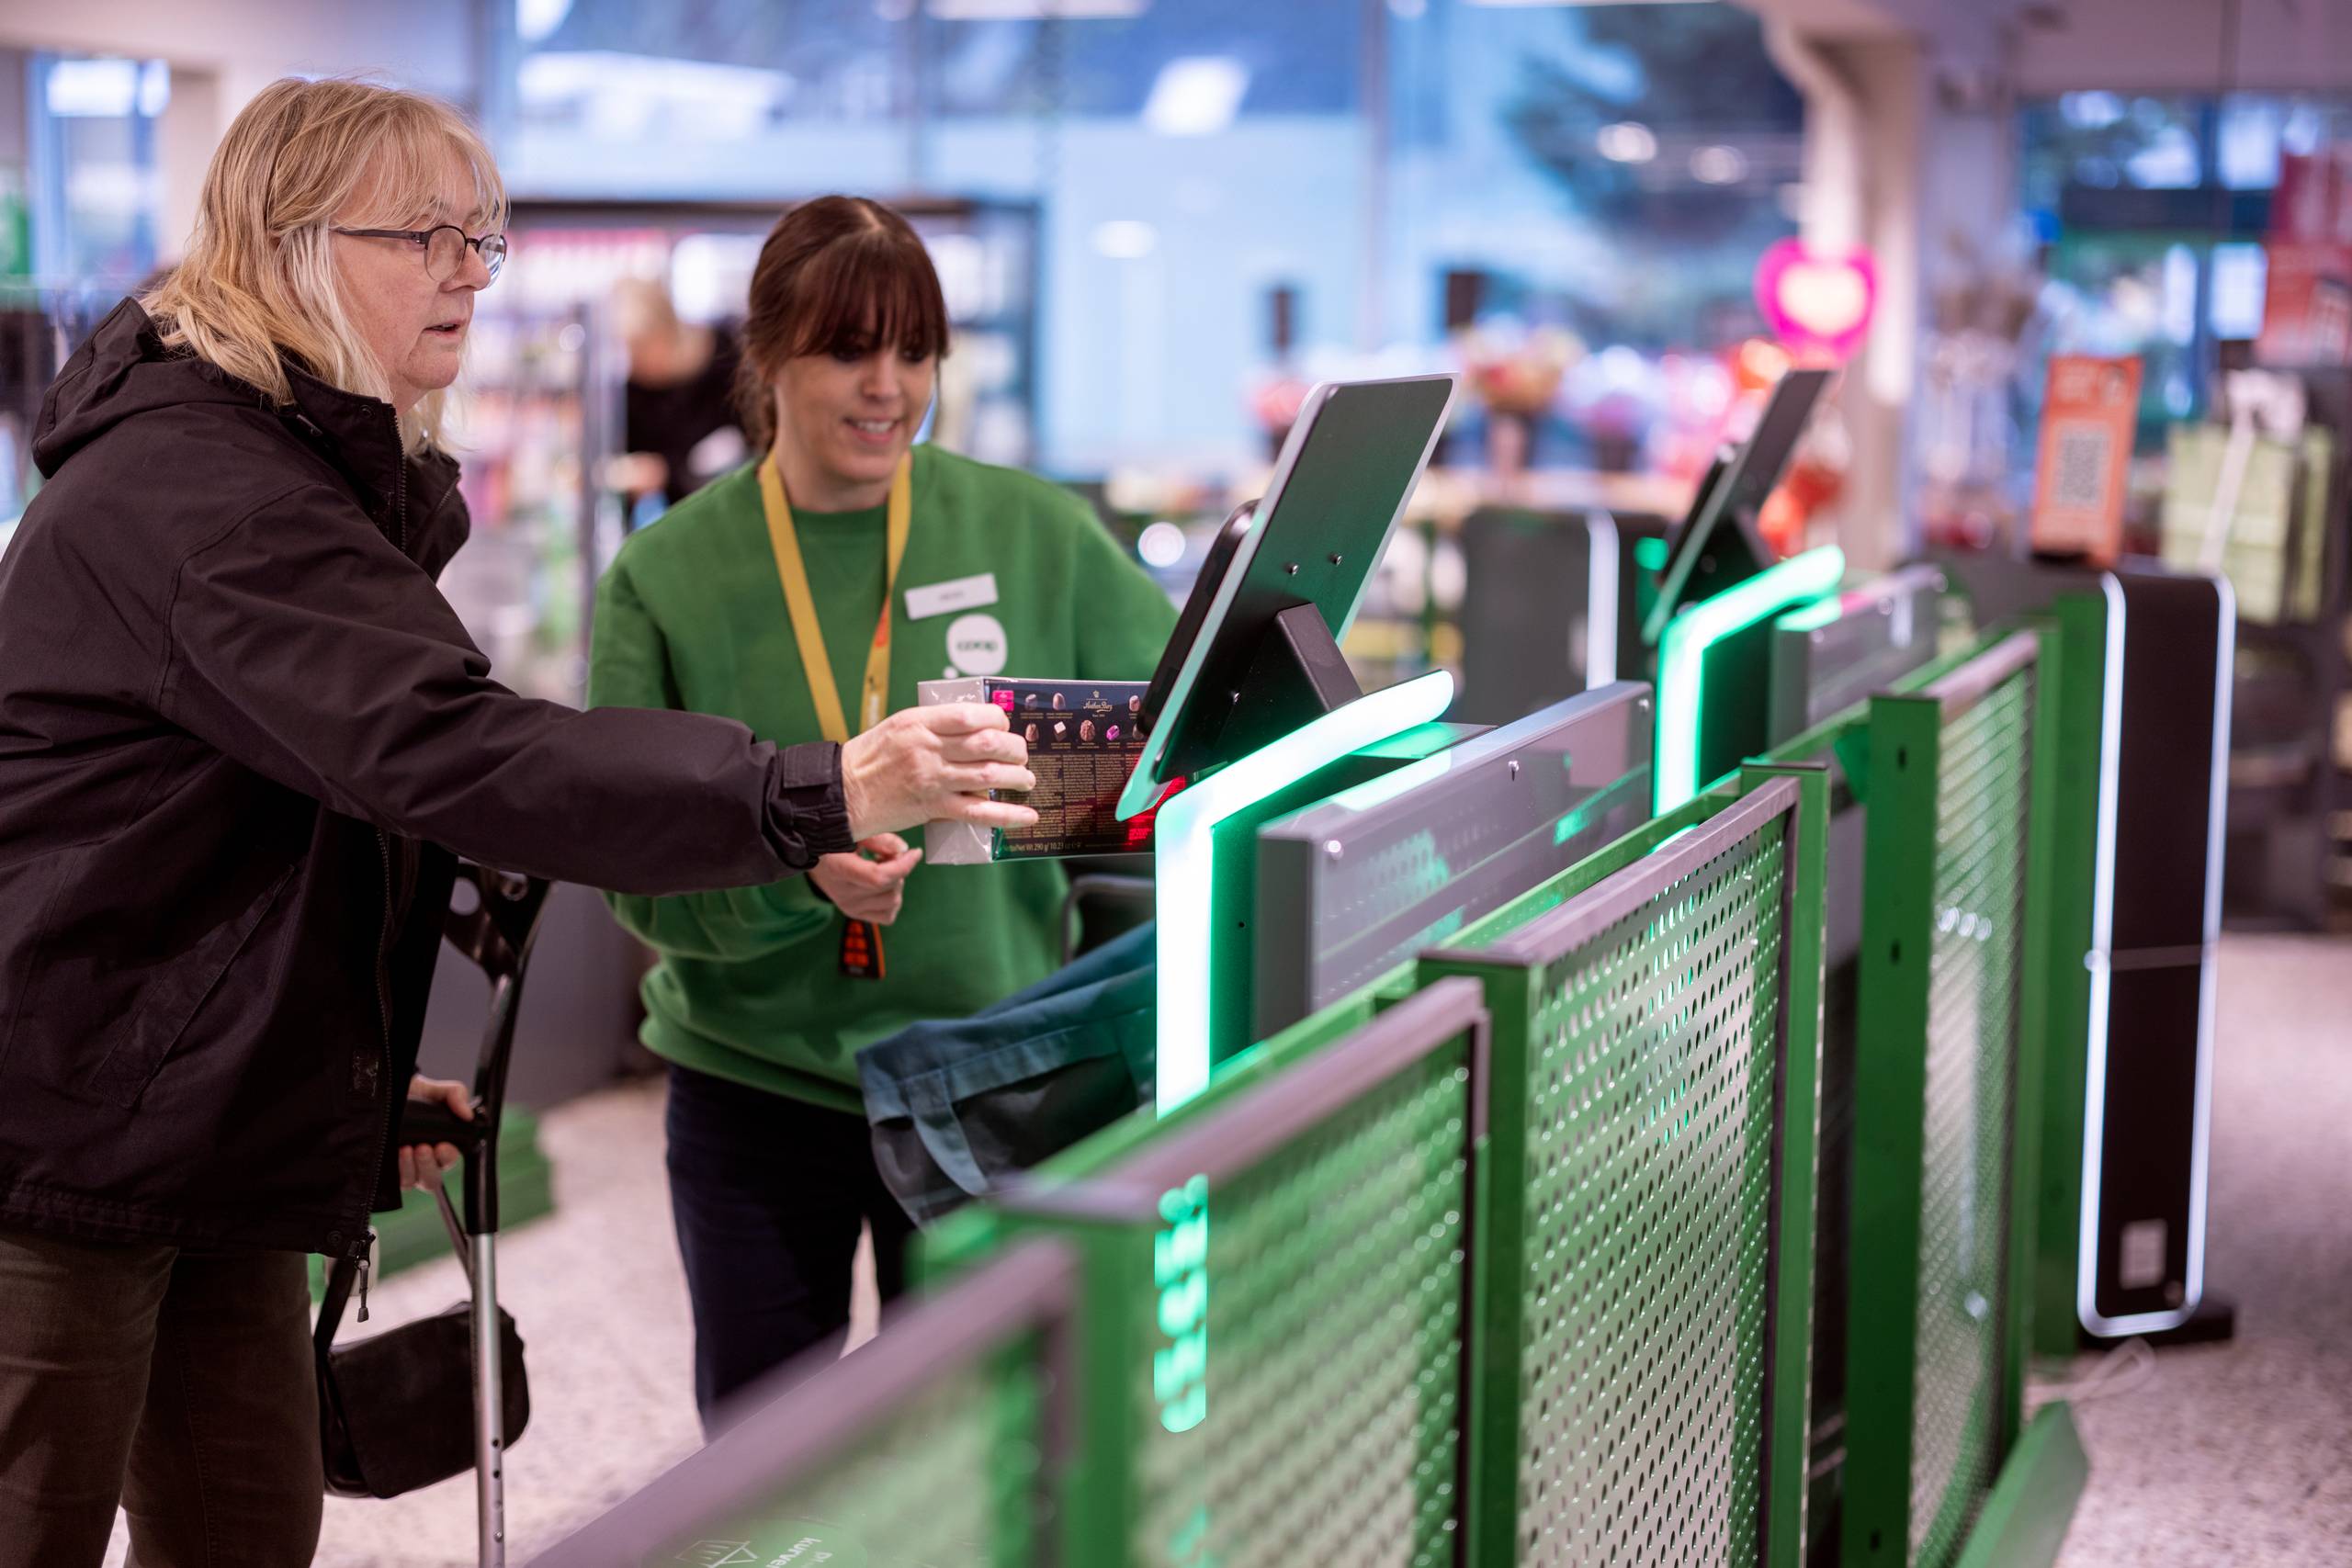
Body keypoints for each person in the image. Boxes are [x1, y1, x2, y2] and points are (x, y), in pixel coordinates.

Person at [0, 81, 1033, 1568]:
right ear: (289, 250)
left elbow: (280, 835)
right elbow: (443, 753)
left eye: (480, 235)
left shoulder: (298, 475)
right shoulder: (208, 494)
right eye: (424, 236)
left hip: (195, 1143)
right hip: (60, 1147)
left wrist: (346, 1080)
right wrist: (816, 789)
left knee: (238, 1530)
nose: (469, 274)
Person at [588, 195, 1177, 1425]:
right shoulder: (667, 575)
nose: (888, 388)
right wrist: (799, 871)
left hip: (991, 1071)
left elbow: (1183, 726)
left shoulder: (1034, 531)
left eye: (916, 354)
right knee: (766, 1470)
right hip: (754, 1086)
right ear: (767, 358)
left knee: (979, 1463)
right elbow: (630, 866)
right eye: (850, 350)